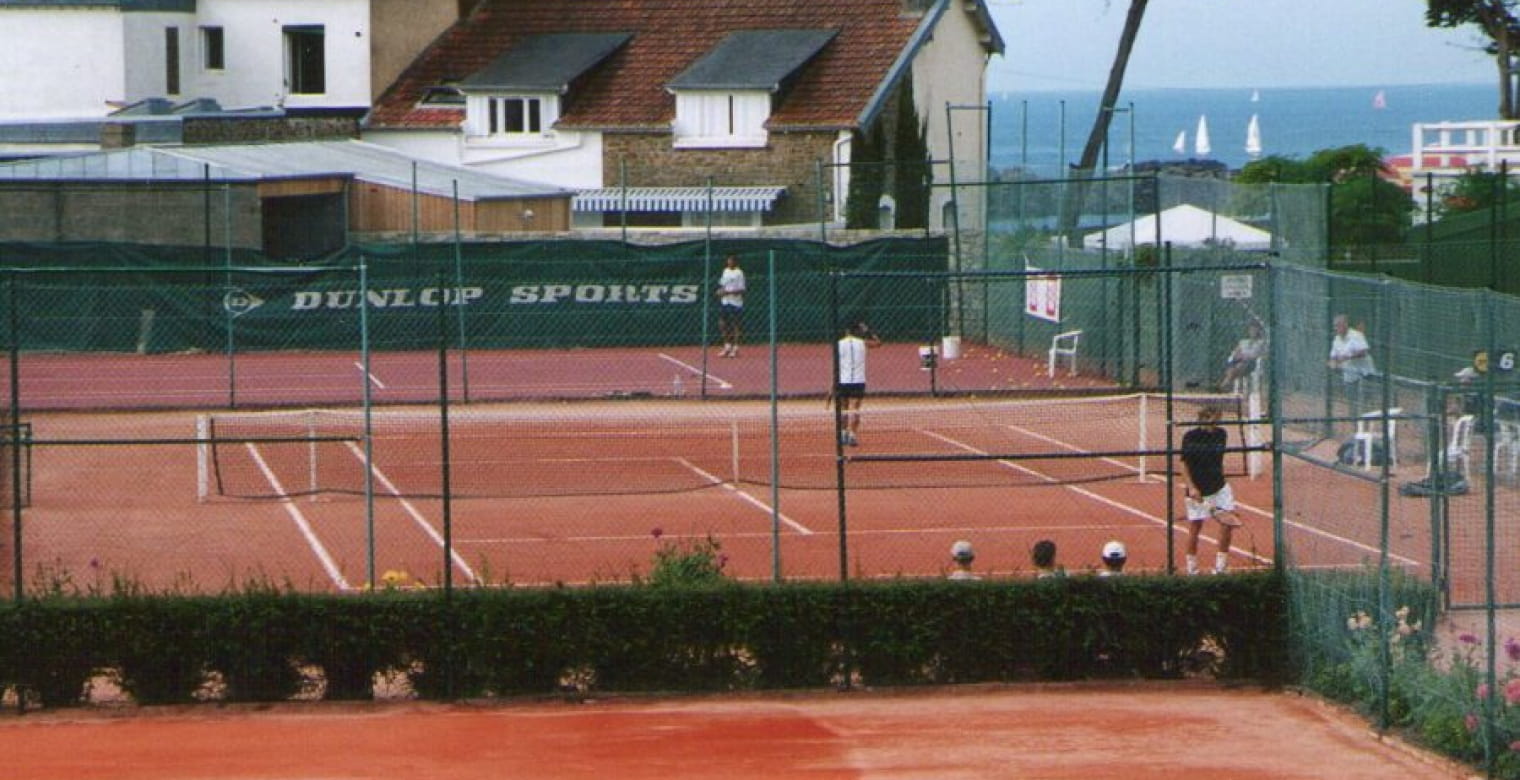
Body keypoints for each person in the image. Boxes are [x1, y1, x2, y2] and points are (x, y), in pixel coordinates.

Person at [1180, 404, 1244, 575]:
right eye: (1212, 420)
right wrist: (1192, 488)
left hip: (1220, 487)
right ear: (1203, 419)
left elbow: (1216, 460)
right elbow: (1184, 465)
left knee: (1227, 522)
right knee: (1195, 527)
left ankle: (1220, 567)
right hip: (1197, 489)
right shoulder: (1190, 437)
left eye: (1217, 420)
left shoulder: (1222, 434)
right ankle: (1192, 568)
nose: (1216, 423)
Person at [831, 320, 882, 446]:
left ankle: (843, 434)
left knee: (844, 409)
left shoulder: (839, 344)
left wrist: (833, 382)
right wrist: (868, 331)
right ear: (858, 332)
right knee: (855, 409)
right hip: (858, 381)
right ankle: (852, 435)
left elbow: (836, 365)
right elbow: (878, 343)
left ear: (847, 331)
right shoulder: (863, 343)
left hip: (843, 381)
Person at [1327, 314, 1375, 416]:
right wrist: (1332, 363)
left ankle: (1366, 424)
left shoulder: (1356, 335)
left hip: (1364, 373)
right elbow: (1333, 357)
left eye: (1338, 325)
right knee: (1352, 401)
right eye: (1335, 326)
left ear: (1345, 325)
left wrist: (1348, 356)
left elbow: (1363, 351)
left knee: (1365, 402)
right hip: (1349, 375)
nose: (1336, 328)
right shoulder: (1336, 340)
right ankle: (1354, 424)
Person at [1220, 320, 1267, 391]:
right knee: (1234, 364)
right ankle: (1227, 382)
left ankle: (1226, 382)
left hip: (1252, 363)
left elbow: (1263, 355)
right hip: (1239, 361)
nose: (1253, 331)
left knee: (1240, 365)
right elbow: (1235, 353)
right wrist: (1237, 355)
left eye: (1255, 329)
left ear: (1259, 331)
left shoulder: (1261, 343)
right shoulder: (1243, 342)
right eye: (1251, 329)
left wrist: (1248, 357)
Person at [714, 254, 746, 357]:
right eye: (728, 261)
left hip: (736, 303)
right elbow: (722, 285)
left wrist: (728, 292)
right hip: (725, 302)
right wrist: (720, 291)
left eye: (731, 261)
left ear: (735, 262)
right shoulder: (725, 271)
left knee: (735, 325)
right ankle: (727, 346)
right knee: (722, 323)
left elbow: (742, 290)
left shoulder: (739, 273)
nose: (729, 262)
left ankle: (735, 348)